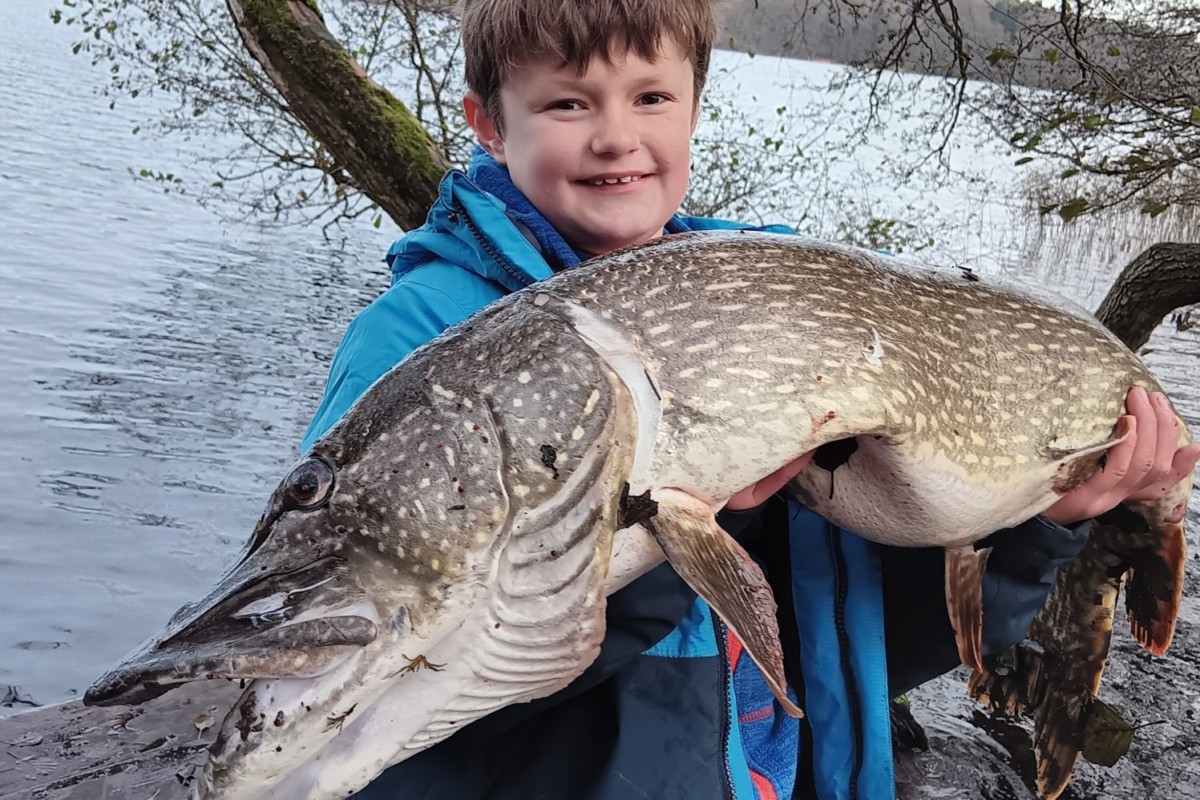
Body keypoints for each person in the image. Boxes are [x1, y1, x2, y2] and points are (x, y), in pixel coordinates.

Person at [299, 1, 1200, 797]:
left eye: (651, 96)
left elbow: (851, 658)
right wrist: (669, 536)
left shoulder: (786, 323)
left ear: (695, 107)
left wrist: (1040, 528)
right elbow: (367, 687)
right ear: (489, 125)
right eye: (569, 103)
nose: (616, 136)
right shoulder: (422, 343)